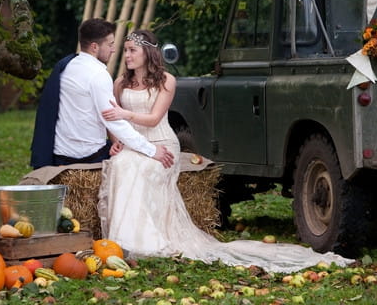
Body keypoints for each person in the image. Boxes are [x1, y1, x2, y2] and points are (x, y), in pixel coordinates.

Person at [97, 29, 354, 273]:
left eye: (132, 50)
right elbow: (113, 119)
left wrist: (125, 114)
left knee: (144, 168)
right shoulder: (120, 82)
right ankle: (124, 240)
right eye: (126, 50)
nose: (127, 55)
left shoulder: (166, 81)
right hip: (135, 143)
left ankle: (148, 241)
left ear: (147, 54)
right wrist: (116, 139)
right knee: (122, 165)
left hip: (161, 143)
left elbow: (153, 119)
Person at [29, 18, 174, 170]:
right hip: (88, 157)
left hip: (59, 154)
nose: (114, 50)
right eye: (110, 45)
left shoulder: (67, 66)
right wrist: (151, 150)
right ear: (94, 47)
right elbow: (113, 121)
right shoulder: (98, 75)